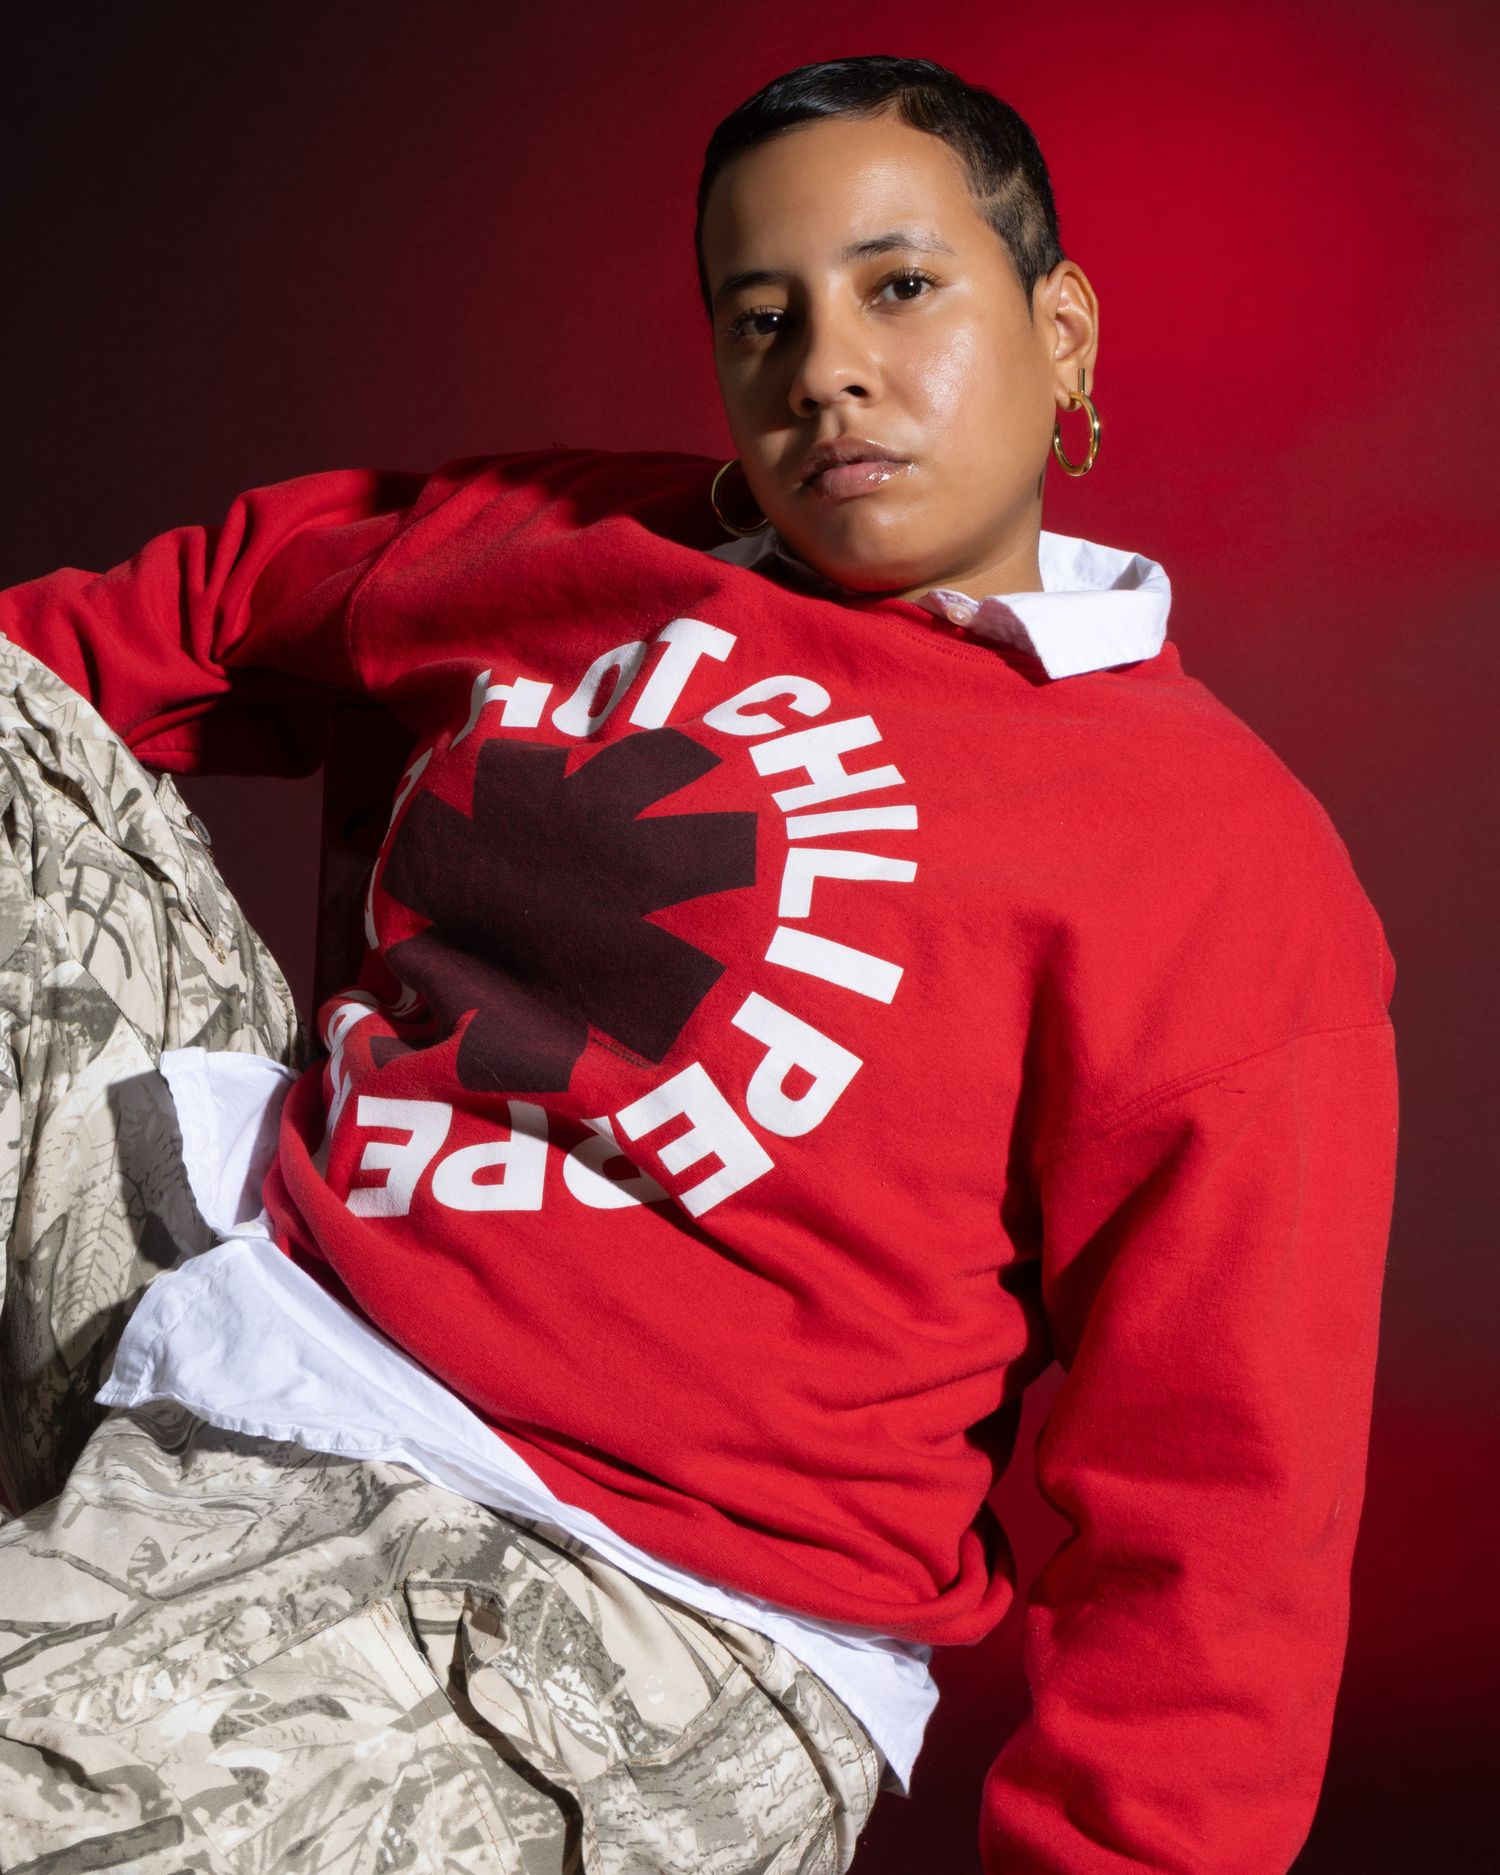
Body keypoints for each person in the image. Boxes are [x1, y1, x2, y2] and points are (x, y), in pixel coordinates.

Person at [0, 52, 1398, 1875]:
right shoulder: (580, 545)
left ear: (1061, 332)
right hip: (257, 1298)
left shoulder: (1214, 856)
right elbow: (182, 625)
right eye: (764, 316)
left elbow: (1224, 1505)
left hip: (620, 1606)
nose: (826, 369)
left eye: (902, 288)